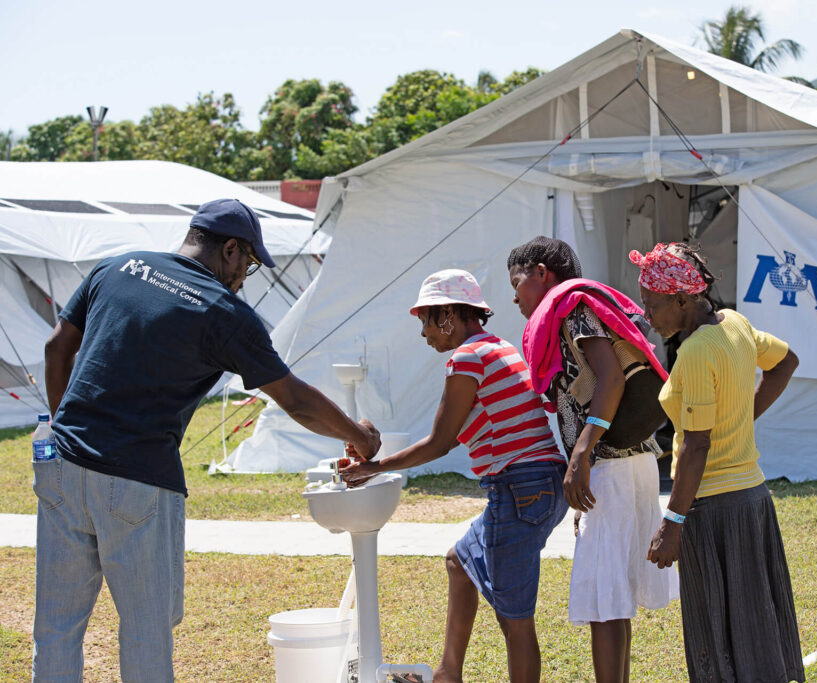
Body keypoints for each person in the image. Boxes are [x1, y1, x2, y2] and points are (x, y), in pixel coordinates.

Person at [35, 198, 380, 683]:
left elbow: (56, 348)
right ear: (231, 250)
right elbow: (295, 400)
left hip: (61, 465)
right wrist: (357, 434)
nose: (244, 279)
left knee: (56, 628)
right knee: (146, 631)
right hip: (136, 479)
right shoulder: (224, 313)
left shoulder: (117, 266)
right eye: (249, 265)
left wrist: (66, 424)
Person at [341, 269, 568, 683]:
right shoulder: (498, 347)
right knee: (459, 561)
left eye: (425, 320)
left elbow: (440, 442)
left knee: (515, 621)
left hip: (518, 487)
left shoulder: (467, 357)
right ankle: (448, 674)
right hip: (539, 485)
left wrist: (373, 469)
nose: (424, 333)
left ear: (447, 315)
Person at [506, 237, 677, 683]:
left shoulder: (571, 308)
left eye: (517, 281)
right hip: (631, 459)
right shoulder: (576, 309)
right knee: (612, 595)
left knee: (606, 596)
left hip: (611, 463)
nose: (514, 296)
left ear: (542, 273)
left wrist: (581, 454)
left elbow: (611, 377)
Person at [636, 242, 804, 683]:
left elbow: (695, 447)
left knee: (717, 633)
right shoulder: (735, 324)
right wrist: (741, 416)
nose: (647, 316)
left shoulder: (694, 354)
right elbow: (786, 362)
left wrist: (672, 522)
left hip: (712, 510)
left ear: (682, 300)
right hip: (752, 498)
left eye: (652, 305)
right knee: (755, 627)